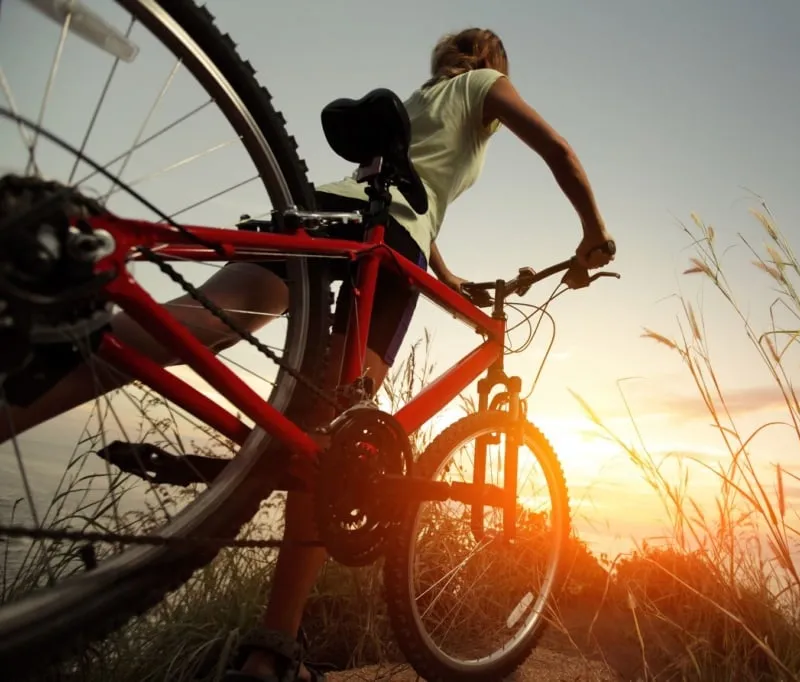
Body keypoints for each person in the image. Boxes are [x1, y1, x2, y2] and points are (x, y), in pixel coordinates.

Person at [0, 27, 614, 682]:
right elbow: (557, 149)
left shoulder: (415, 103)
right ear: (493, 63)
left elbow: (410, 196)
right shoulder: (484, 87)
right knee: (336, 443)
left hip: (321, 218)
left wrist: (451, 277)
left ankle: (62, 349)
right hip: (386, 249)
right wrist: (594, 233)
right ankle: (271, 655)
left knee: (184, 328)